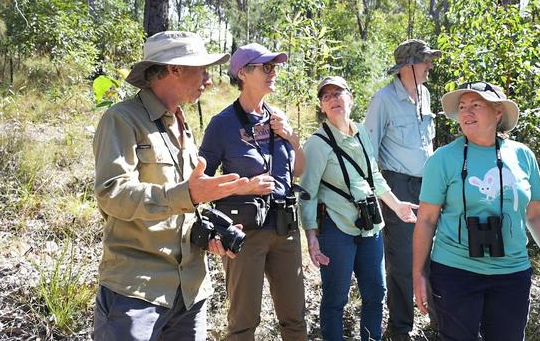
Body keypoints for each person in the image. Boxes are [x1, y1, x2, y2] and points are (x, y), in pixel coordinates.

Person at [92, 31, 249, 340]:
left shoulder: (181, 123)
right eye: (202, 69)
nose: (208, 80)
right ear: (175, 68)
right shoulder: (122, 119)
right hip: (136, 292)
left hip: (190, 292)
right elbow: (112, 194)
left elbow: (182, 206)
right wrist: (186, 194)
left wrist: (208, 233)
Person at [412, 81, 540, 340]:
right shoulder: (442, 159)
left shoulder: (522, 156)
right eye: (462, 107)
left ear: (498, 112)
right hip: (455, 272)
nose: (466, 113)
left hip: (511, 273)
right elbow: (426, 220)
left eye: (476, 105)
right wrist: (419, 274)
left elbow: (535, 214)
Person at [198, 42, 307, 341]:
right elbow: (200, 183)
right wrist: (244, 187)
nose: (274, 73)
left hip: (285, 229)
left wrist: (292, 136)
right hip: (245, 232)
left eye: (275, 67)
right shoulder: (222, 125)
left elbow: (299, 170)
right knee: (244, 321)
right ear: (243, 73)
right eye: (266, 67)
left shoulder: (278, 118)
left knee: (295, 317)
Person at [299, 76, 418, 341]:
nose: (333, 99)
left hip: (370, 226)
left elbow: (373, 175)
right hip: (336, 229)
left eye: (338, 93)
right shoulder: (317, 144)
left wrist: (397, 206)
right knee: (335, 299)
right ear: (321, 106)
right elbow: (307, 193)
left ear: (350, 97)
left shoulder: (362, 131)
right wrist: (311, 237)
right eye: (326, 96)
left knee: (376, 295)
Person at [364, 39, 441, 340]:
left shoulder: (425, 94)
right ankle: (399, 329)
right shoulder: (383, 99)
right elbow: (368, 154)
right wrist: (389, 196)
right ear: (409, 65)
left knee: (436, 255)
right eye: (426, 61)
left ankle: (439, 323)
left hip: (430, 187)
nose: (430, 66)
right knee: (402, 260)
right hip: (398, 186)